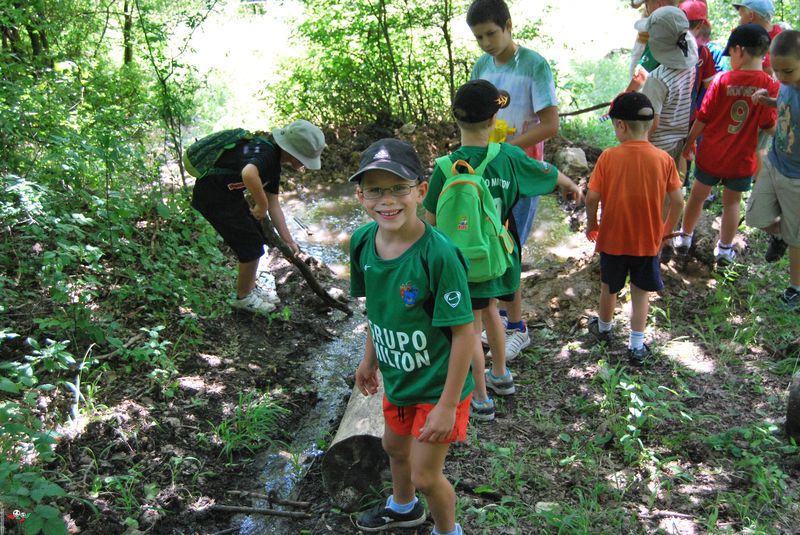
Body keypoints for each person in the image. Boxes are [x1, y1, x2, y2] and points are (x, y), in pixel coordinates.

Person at [424, 80, 582, 421]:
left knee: (468, 327)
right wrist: (569, 184)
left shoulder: (446, 167)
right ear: (494, 119)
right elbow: (547, 173)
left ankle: (481, 398)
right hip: (500, 254)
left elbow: (431, 221)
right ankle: (501, 374)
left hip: (462, 260)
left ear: (456, 118)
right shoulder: (509, 157)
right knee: (493, 311)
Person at [349, 139, 475, 534]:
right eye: (375, 190)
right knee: (394, 447)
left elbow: (464, 333)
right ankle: (403, 507)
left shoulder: (438, 255)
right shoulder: (362, 243)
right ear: (360, 196)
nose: (387, 200)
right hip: (399, 378)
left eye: (398, 188)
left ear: (420, 191)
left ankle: (447, 530)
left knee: (425, 475)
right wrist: (369, 359)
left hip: (438, 386)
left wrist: (448, 406)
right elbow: (378, 309)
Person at [466, 0, 559, 360]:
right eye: (479, 37)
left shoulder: (534, 65)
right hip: (487, 171)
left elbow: (550, 125)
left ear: (507, 25)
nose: (486, 43)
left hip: (520, 172)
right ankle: (500, 321)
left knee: (510, 246)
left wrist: (506, 150)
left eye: (491, 33)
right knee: (491, 242)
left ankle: (517, 328)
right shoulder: (481, 66)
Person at [586, 92, 684, 366]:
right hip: (647, 241)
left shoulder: (608, 157)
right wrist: (664, 231)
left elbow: (592, 197)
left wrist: (592, 224)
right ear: (651, 124)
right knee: (640, 293)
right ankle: (637, 346)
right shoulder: (664, 159)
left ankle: (603, 330)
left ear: (620, 125)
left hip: (613, 239)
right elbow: (678, 201)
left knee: (609, 287)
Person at [191, 120, 325, 313]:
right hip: (213, 198)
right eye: (305, 158)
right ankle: (244, 298)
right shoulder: (266, 154)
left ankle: (250, 287)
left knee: (257, 237)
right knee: (251, 246)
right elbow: (249, 173)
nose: (305, 163)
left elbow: (274, 205)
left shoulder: (274, 166)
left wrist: (289, 241)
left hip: (228, 196)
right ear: (293, 152)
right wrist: (261, 204)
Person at [676, 24, 779, 266]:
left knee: (697, 196)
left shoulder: (722, 80)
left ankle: (684, 237)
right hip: (741, 159)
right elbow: (768, 125)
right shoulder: (769, 85)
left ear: (739, 50)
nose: (730, 59)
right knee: (732, 203)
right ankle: (724, 249)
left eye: (730, 53)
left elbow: (703, 117)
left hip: (711, 153)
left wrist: (689, 143)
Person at [638, 6, 697, 262]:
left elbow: (651, 123)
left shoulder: (658, 79)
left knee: (653, 200)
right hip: (679, 141)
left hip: (657, 147)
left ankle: (651, 247)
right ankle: (665, 241)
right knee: (670, 196)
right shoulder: (690, 60)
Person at [747, 30, 800, 311]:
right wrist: (768, 99)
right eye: (776, 70)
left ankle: (795, 289)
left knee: (797, 239)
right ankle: (780, 235)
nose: (780, 77)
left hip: (796, 178)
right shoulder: (787, 84)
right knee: (755, 216)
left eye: (787, 71)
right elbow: (784, 105)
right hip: (774, 163)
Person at [733, 0, 782, 76]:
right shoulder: (782, 36)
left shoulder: (782, 39)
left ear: (751, 16)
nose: (739, 22)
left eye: (741, 16)